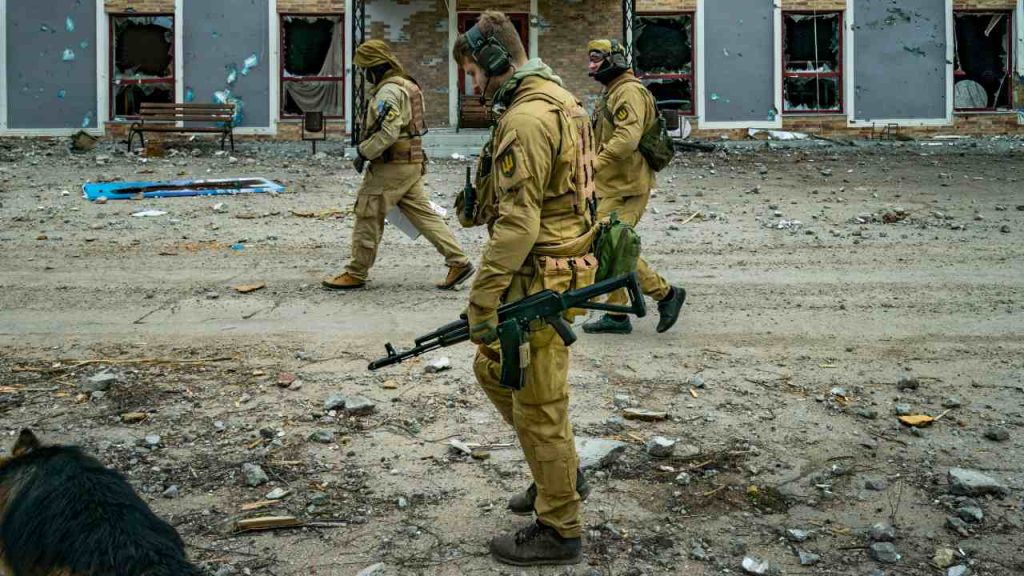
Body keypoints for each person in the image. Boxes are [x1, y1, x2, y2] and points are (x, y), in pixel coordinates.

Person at [453, 11, 598, 566]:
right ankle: (556, 473)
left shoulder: (528, 118)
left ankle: (559, 526)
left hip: (536, 278)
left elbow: (520, 225)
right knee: (495, 369)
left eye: (474, 73)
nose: (473, 85)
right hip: (554, 271)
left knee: (539, 406)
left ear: (494, 61)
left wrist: (481, 299)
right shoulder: (561, 101)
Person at [323, 40, 473, 291]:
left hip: (391, 166)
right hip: (410, 162)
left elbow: (389, 132)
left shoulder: (388, 92)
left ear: (376, 67)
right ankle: (459, 261)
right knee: (423, 214)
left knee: (368, 212)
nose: (365, 75)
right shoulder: (407, 85)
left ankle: (356, 272)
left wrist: (364, 152)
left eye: (365, 69)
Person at [582, 39, 686, 335]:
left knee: (612, 245)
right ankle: (616, 314)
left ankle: (666, 294)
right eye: (590, 58)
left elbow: (626, 140)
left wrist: (593, 165)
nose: (591, 65)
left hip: (628, 186)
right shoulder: (613, 92)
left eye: (596, 58)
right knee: (606, 246)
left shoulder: (628, 92)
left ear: (613, 59)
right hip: (612, 184)